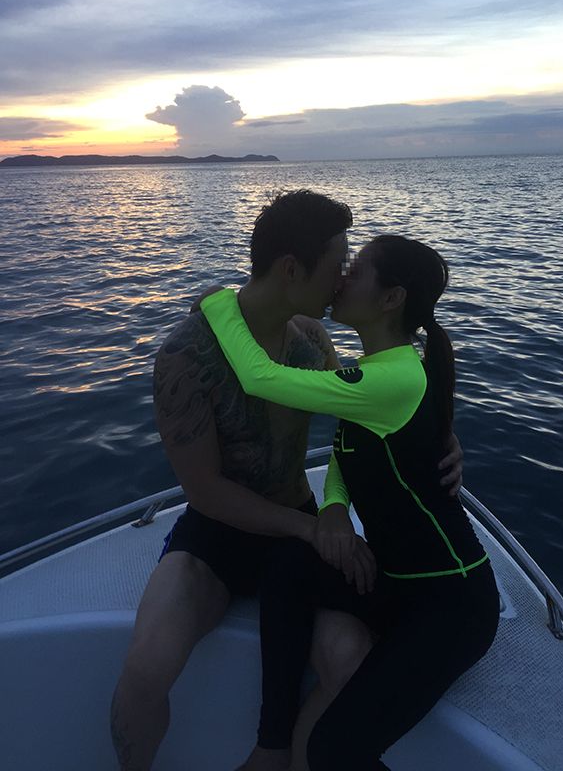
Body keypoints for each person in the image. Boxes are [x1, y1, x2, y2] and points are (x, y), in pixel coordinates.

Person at [110, 192, 465, 771]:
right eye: (338, 264)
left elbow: (363, 415)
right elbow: (205, 492)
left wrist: (438, 437)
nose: (343, 278)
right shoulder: (186, 356)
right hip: (219, 535)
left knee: (349, 660)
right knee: (145, 669)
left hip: (298, 527)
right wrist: (311, 527)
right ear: (293, 269)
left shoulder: (311, 339)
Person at [198, 234, 500, 771]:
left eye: (355, 270)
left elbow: (259, 377)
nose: (342, 279)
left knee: (334, 750)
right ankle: (272, 745)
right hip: (398, 581)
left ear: (391, 299)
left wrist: (220, 301)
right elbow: (348, 445)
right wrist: (334, 508)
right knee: (289, 565)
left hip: (451, 606)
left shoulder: (390, 379)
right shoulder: (384, 371)